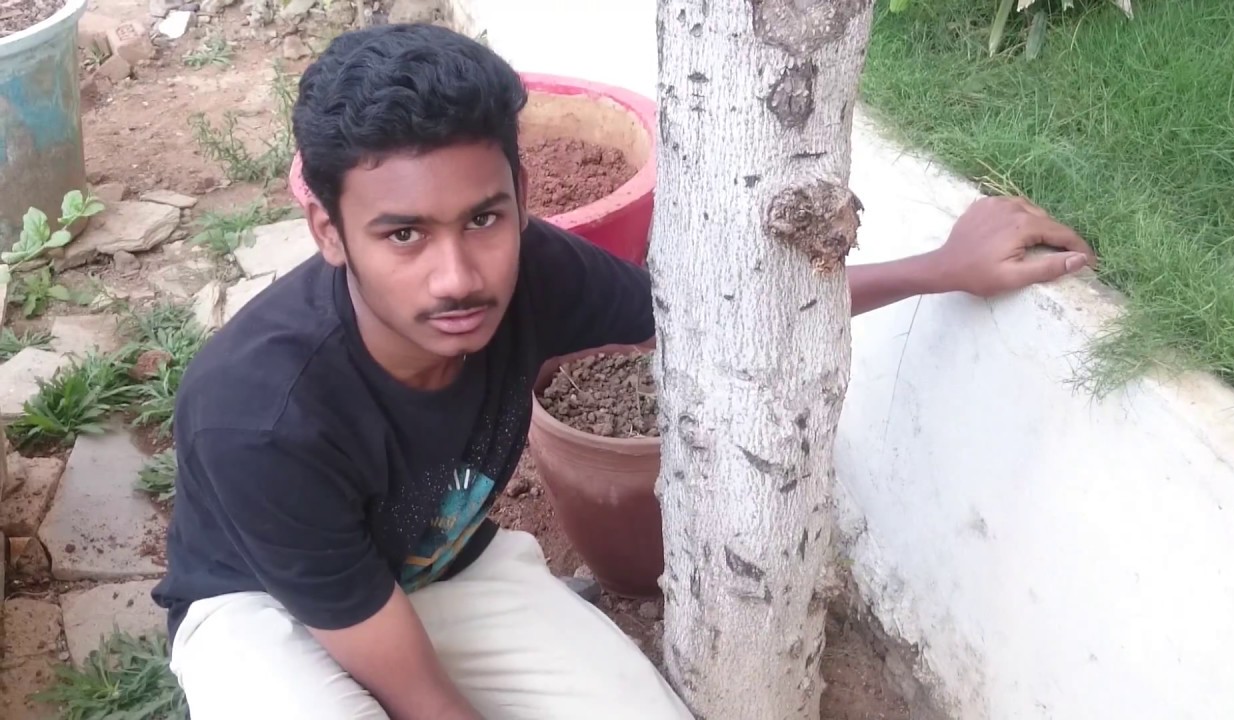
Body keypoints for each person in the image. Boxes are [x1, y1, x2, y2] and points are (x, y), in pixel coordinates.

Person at [150, 22, 1095, 720]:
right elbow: (422, 698)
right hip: (263, 607)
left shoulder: (534, 270)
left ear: (521, 196)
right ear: (329, 231)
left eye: (484, 217)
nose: (458, 276)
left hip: (442, 569)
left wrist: (942, 268)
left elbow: (718, 326)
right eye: (403, 235)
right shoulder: (259, 413)